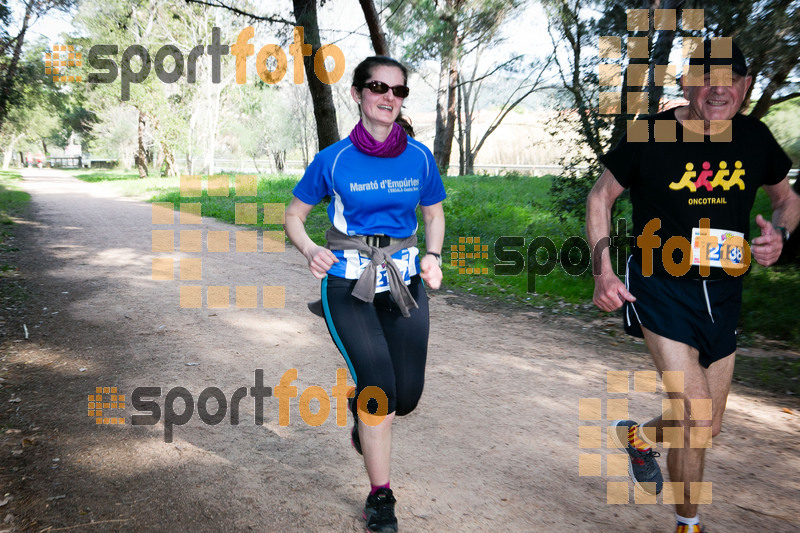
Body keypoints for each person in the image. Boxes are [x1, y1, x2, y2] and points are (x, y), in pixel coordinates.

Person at [586, 39, 800, 533]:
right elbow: (601, 197)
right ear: (687, 83)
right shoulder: (650, 134)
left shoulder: (754, 138)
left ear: (745, 87)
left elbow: (787, 198)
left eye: (730, 78)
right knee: (698, 417)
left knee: (706, 425)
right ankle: (688, 525)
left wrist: (782, 235)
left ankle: (638, 435)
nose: (717, 88)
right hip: (661, 287)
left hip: (724, 294)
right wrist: (604, 271)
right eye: (706, 76)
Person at [284, 56, 446, 533]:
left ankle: (363, 414)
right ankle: (381, 496)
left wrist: (432, 256)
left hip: (404, 281)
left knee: (407, 397)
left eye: (399, 91)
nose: (389, 97)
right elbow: (294, 215)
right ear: (357, 93)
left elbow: (433, 215)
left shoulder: (418, 157)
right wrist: (311, 249)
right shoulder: (332, 159)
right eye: (378, 87)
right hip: (347, 286)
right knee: (379, 388)